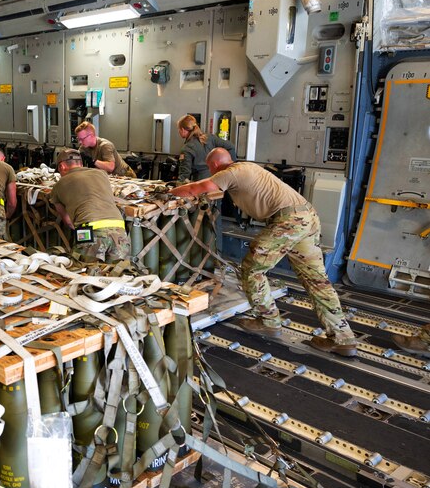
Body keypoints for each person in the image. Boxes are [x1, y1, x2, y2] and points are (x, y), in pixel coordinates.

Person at [170, 148, 357, 357]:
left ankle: (268, 321)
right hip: (306, 216)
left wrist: (169, 192)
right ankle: (343, 338)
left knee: (251, 269)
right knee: (316, 280)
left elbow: (198, 188)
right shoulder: (245, 167)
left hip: (288, 221)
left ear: (213, 166)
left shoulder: (228, 173)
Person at [51, 149, 131, 263]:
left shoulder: (58, 186)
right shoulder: (102, 174)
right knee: (116, 276)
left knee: (86, 275)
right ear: (81, 164)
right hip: (119, 231)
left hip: (89, 231)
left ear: (62, 166)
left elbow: (68, 222)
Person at [176, 115, 235, 181]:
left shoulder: (186, 149)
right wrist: (229, 169)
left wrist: (175, 187)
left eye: (179, 129)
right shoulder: (210, 138)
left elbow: (185, 173)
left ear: (183, 130)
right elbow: (231, 147)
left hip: (199, 182)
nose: (178, 132)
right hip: (216, 179)